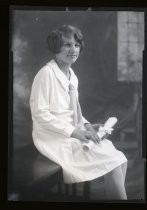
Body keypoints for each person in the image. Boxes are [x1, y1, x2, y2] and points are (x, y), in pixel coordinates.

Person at [30, 25, 128, 200]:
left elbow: (72, 110)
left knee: (119, 159)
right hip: (53, 137)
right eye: (67, 45)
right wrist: (76, 132)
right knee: (113, 162)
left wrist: (88, 125)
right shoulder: (46, 74)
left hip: (72, 132)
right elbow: (40, 115)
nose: (73, 50)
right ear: (56, 47)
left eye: (76, 45)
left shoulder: (72, 75)